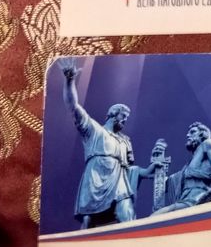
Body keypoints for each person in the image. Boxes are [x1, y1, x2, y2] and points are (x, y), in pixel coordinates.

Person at [60, 61, 156, 229]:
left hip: (118, 180)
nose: (125, 120)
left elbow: (129, 170)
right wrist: (69, 80)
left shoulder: (124, 141)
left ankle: (130, 240)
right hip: (95, 179)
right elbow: (73, 106)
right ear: (113, 114)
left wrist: (149, 170)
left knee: (126, 212)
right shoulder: (94, 130)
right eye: (123, 116)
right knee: (88, 223)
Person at [152, 122, 211, 214]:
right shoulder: (187, 167)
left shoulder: (207, 144)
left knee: (156, 216)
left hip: (199, 200)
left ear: (202, 134)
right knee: (157, 216)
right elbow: (168, 183)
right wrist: (159, 169)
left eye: (192, 132)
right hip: (185, 202)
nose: (188, 135)